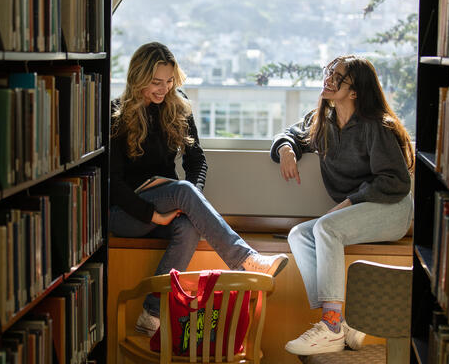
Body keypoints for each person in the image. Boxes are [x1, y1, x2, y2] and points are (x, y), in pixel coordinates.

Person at [111, 42, 289, 337]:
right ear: (138, 78)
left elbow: (198, 160)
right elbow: (113, 184)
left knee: (189, 226)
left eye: (169, 81)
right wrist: (155, 215)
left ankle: (150, 314)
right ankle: (245, 261)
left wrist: (190, 199)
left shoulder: (178, 104)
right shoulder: (116, 114)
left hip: (169, 203)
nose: (164, 89)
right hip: (127, 213)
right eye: (156, 82)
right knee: (182, 191)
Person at [270, 55, 414, 355]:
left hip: (392, 209)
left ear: (355, 91)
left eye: (338, 77)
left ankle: (331, 326)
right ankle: (342, 322)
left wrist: (350, 201)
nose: (328, 79)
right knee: (299, 234)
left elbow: (396, 181)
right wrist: (286, 149)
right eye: (328, 72)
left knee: (326, 227)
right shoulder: (322, 121)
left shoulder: (376, 126)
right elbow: (290, 134)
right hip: (357, 211)